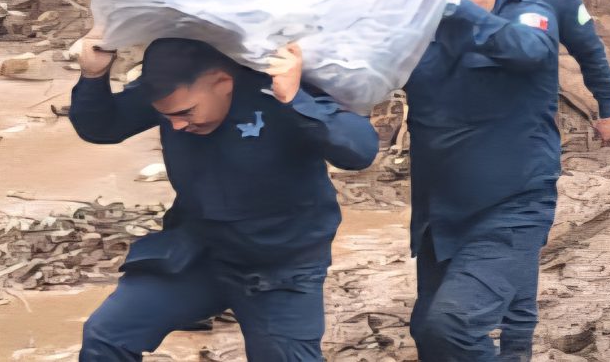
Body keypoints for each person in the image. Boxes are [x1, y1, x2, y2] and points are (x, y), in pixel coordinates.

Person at [68, 33, 379, 362]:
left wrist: (295, 100)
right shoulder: (172, 92)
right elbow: (102, 128)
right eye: (167, 117)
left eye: (186, 113)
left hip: (281, 265)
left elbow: (360, 152)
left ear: (222, 82)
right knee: (107, 334)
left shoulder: (276, 89)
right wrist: (93, 76)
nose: (175, 126)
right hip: (199, 253)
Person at [466, 0, 610, 359]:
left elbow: (589, 51)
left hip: (525, 134)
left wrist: (607, 109)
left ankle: (516, 344)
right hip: (466, 134)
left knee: (519, 238)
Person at [405, 0, 563, 362]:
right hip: (441, 214)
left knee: (452, 325)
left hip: (510, 208)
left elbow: (529, 50)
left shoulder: (528, 13)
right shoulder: (419, 27)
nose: (443, 9)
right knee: (428, 333)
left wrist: (460, 12)